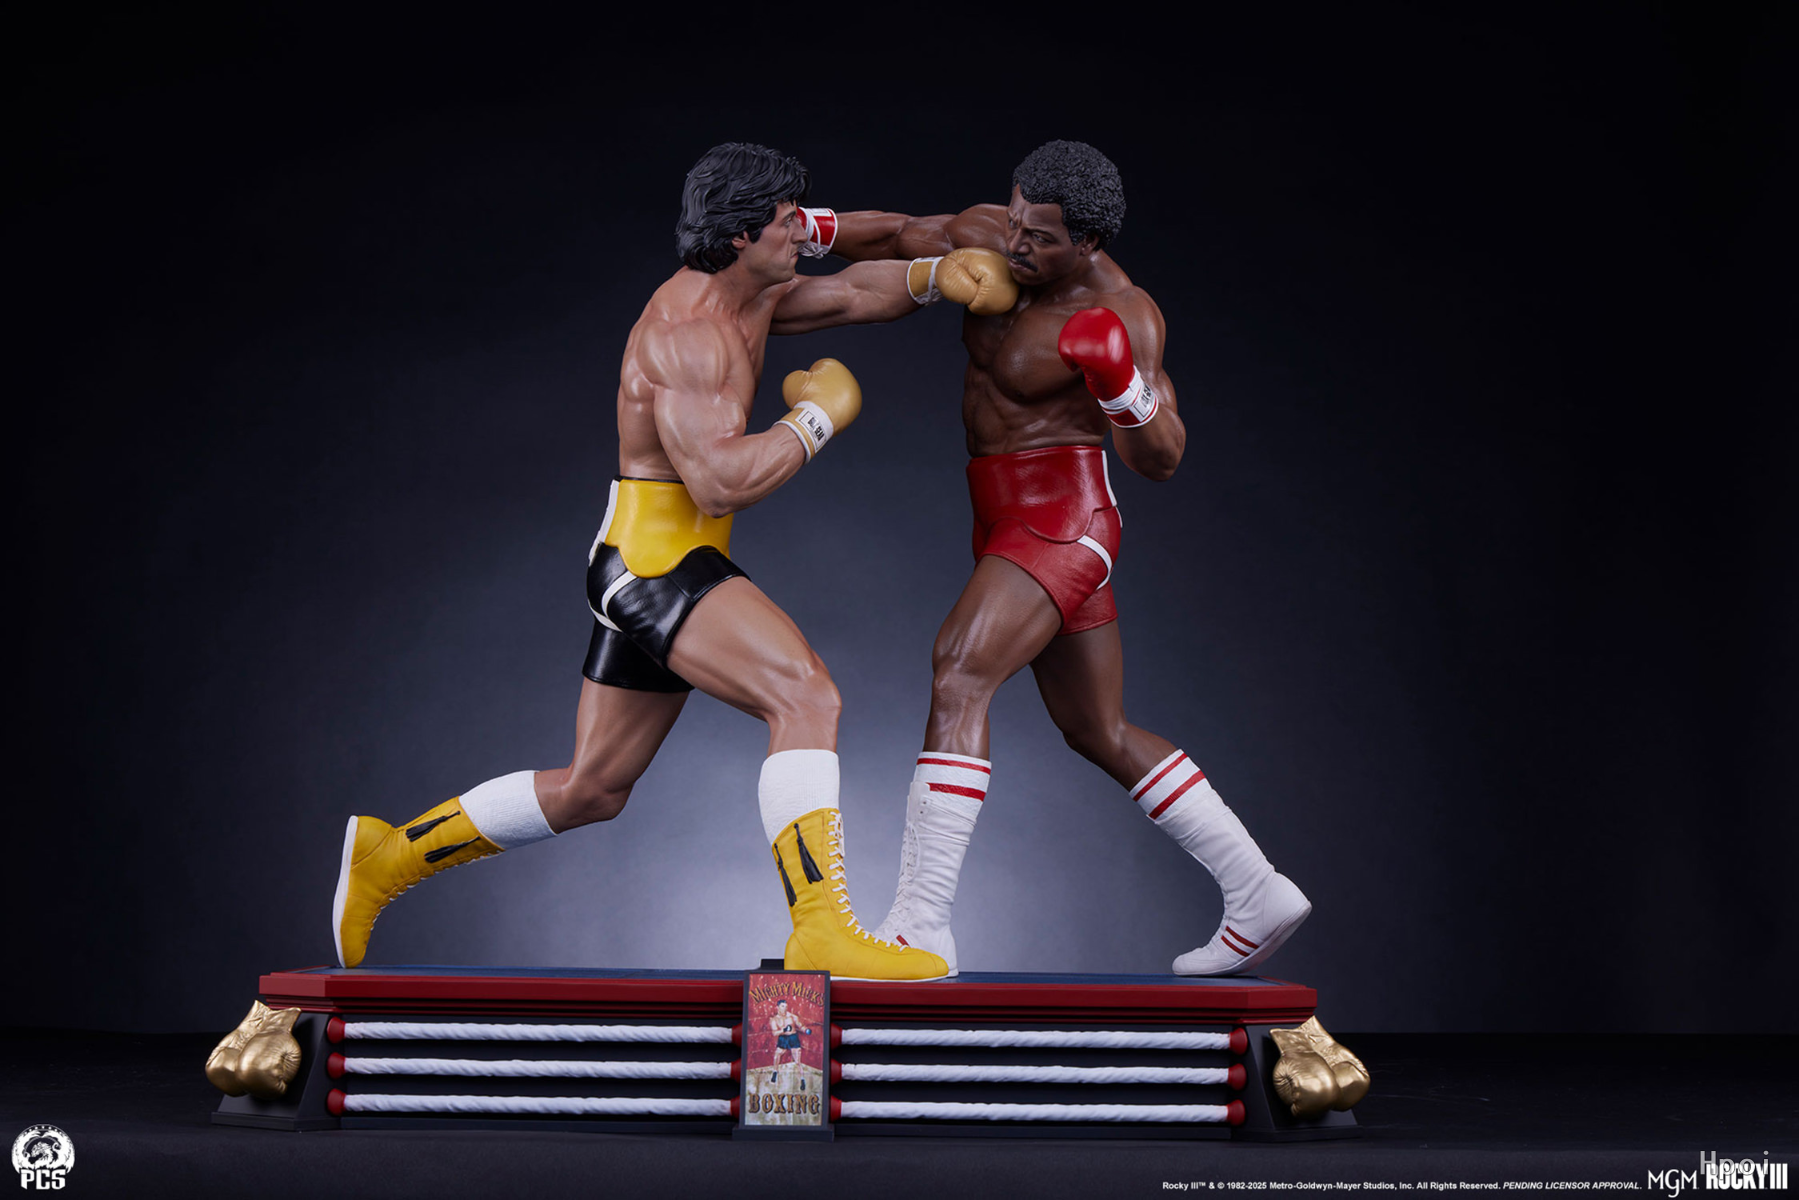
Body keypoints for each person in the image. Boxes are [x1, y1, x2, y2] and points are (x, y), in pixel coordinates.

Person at [331, 143, 1012, 980]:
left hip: (652, 558)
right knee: (805, 696)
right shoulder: (686, 336)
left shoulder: (748, 289)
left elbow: (848, 292)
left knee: (592, 789)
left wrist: (935, 278)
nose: (803, 231)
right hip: (656, 563)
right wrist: (816, 419)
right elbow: (720, 482)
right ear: (739, 237)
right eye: (786, 222)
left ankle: (388, 857)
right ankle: (821, 930)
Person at [806, 140, 1311, 977]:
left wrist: (1119, 385)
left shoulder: (1124, 312)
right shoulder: (989, 233)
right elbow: (894, 232)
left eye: (1039, 238)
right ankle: (1257, 889)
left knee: (959, 670)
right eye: (1015, 222)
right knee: (1095, 729)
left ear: (1087, 242)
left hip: (1062, 519)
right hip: (1000, 514)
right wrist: (805, 227)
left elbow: (1162, 457)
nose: (1015, 246)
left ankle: (920, 926)